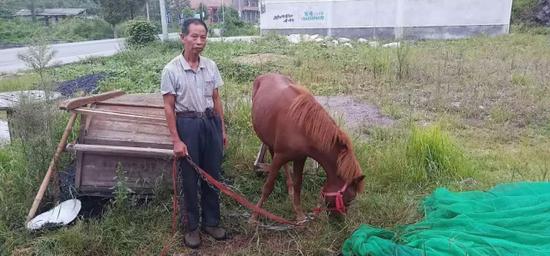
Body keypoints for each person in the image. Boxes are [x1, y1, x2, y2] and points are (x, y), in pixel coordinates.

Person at [161, 18, 228, 249]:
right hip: (187, 125)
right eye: (194, 36)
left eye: (203, 37)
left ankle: (212, 222)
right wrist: (176, 140)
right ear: (183, 37)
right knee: (190, 178)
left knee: (212, 175)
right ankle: (191, 227)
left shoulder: (210, 65)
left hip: (209, 123)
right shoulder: (171, 69)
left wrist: (221, 129)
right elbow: (169, 107)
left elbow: (216, 98)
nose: (199, 41)